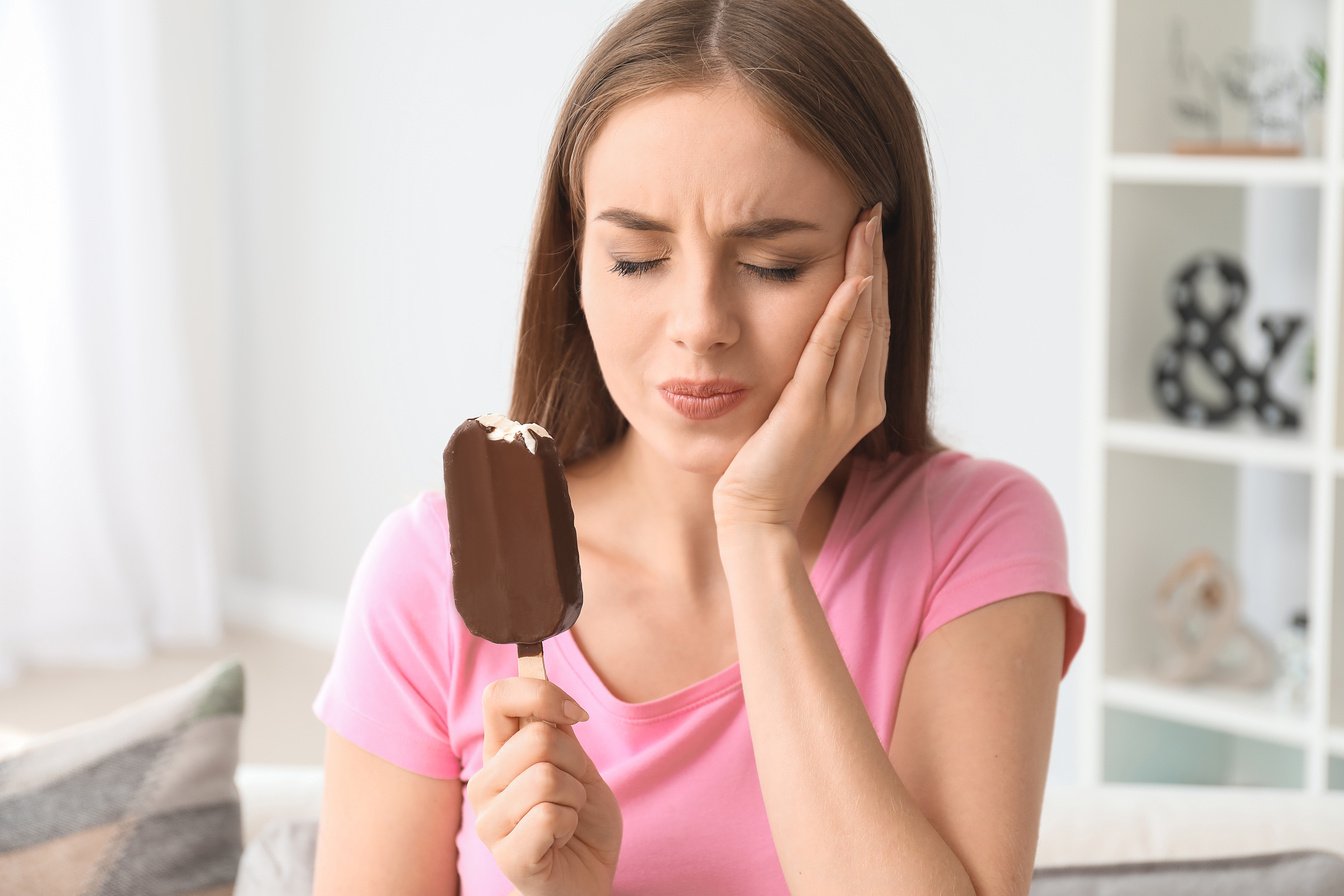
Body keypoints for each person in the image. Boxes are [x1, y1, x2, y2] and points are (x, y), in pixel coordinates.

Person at [310, 0, 1087, 894]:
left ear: (873, 266)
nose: (700, 326)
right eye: (637, 258)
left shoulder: (975, 536)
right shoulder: (424, 576)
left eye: (774, 266)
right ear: (576, 261)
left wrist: (757, 530)